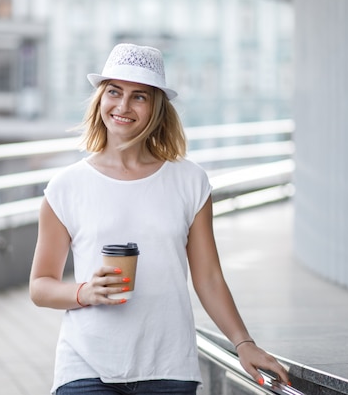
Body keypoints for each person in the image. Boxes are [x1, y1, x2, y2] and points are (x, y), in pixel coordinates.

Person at [29, 43, 290, 394]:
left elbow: (209, 278)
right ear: (100, 98)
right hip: (85, 366)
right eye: (114, 92)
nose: (122, 106)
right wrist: (85, 291)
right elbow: (40, 286)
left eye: (139, 96)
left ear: (156, 108)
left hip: (168, 366)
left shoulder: (190, 182)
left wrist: (244, 343)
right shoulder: (66, 187)